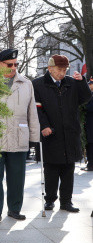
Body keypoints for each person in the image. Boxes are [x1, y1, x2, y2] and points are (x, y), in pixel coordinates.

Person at [0, 49, 40, 224]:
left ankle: (15, 209)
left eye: (16, 64)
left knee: (17, 176)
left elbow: (32, 112)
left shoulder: (26, 83)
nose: (13, 68)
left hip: (19, 136)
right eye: (9, 64)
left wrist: (34, 137)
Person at [33, 54, 91, 212]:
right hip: (50, 133)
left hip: (70, 132)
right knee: (51, 169)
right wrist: (44, 126)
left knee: (68, 170)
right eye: (59, 69)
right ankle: (50, 200)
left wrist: (81, 82)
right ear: (50, 68)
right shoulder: (38, 84)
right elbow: (37, 109)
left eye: (65, 69)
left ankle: (66, 202)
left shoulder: (72, 83)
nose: (62, 73)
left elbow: (86, 98)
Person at [82, 78, 93, 171]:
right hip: (89, 124)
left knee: (91, 144)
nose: (89, 85)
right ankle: (90, 163)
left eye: (91, 84)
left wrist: (83, 106)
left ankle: (91, 164)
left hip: (91, 124)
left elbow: (90, 108)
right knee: (89, 144)